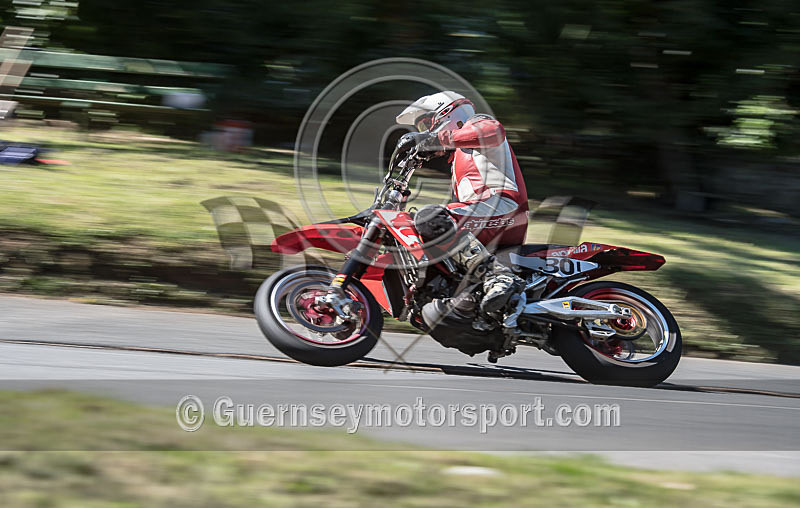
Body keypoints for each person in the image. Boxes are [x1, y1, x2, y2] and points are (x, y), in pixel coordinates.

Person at [394, 91, 527, 314]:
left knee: (430, 217)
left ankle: (498, 276)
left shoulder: (479, 124)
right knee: (425, 227)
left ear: (449, 113)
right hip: (487, 217)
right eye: (421, 128)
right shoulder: (459, 157)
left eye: (427, 123)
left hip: (504, 207)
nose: (426, 131)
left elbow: (494, 131)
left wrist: (437, 139)